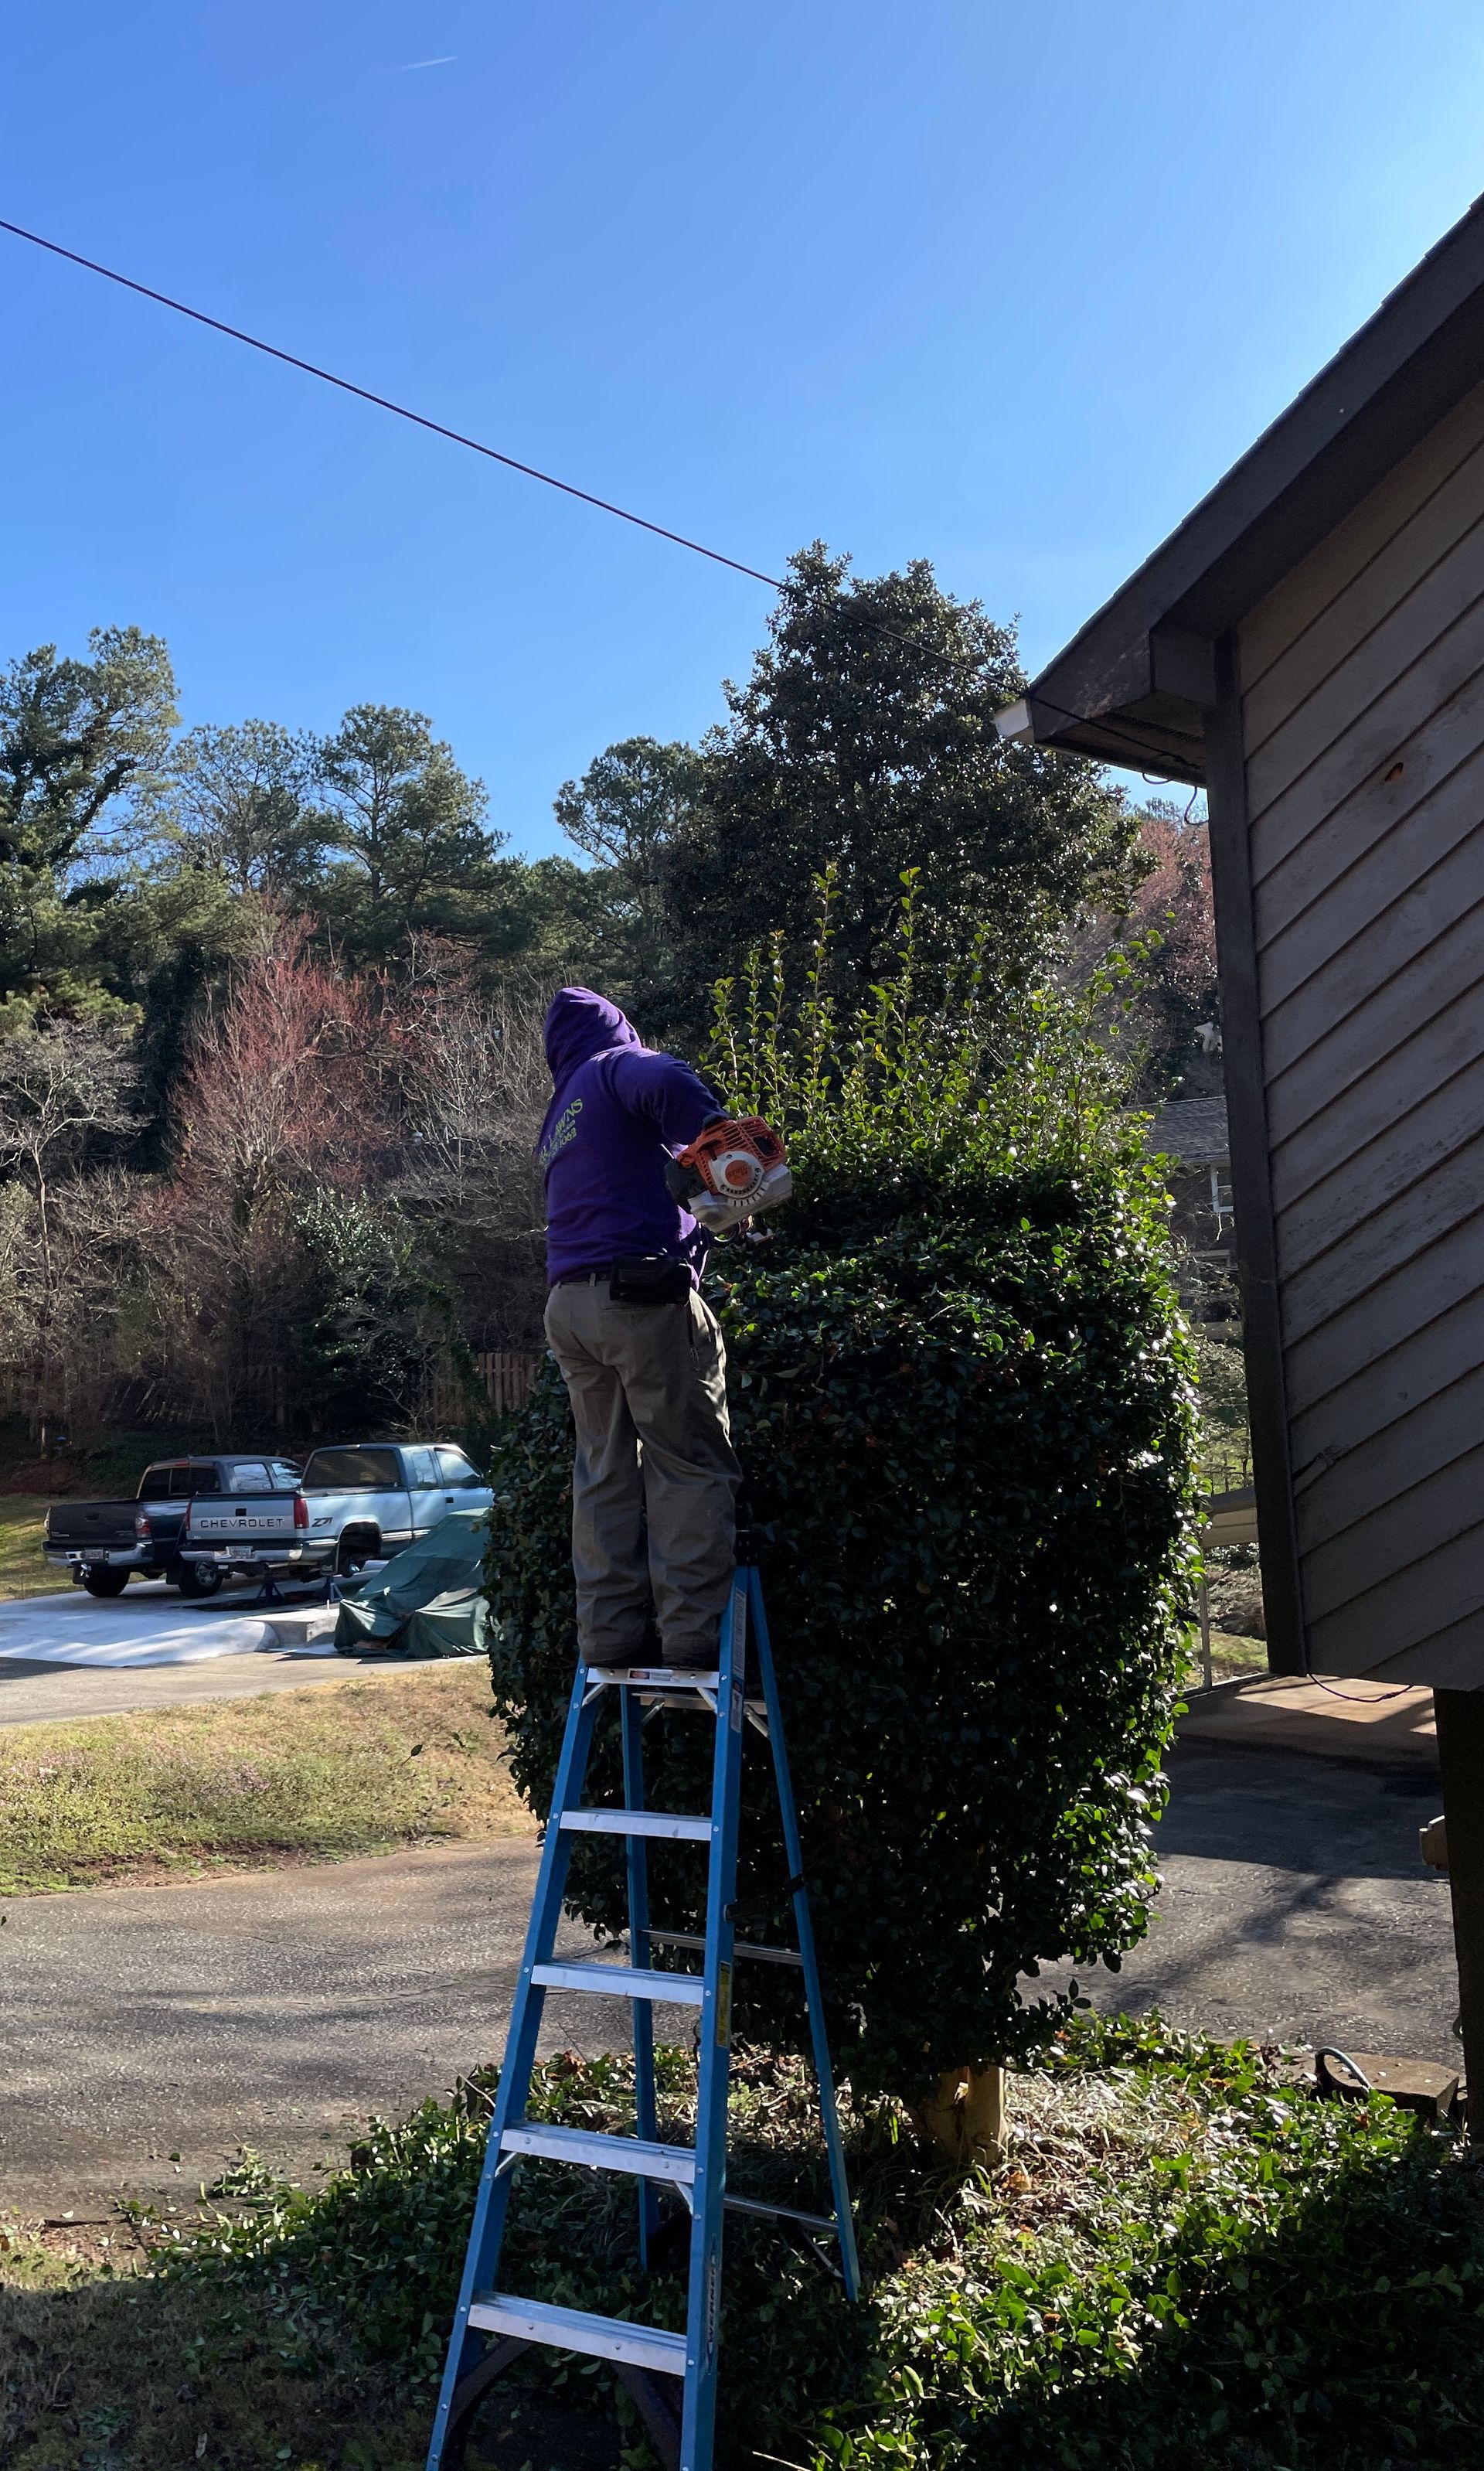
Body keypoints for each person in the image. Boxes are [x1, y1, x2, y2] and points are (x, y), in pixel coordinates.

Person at [539, 987, 741, 1670]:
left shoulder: (562, 1110)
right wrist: (718, 1137)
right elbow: (662, 1075)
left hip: (570, 1305)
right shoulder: (615, 1065)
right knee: (685, 1461)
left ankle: (609, 1634)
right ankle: (691, 1634)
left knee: (604, 1471)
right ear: (615, 1029)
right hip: (640, 1295)